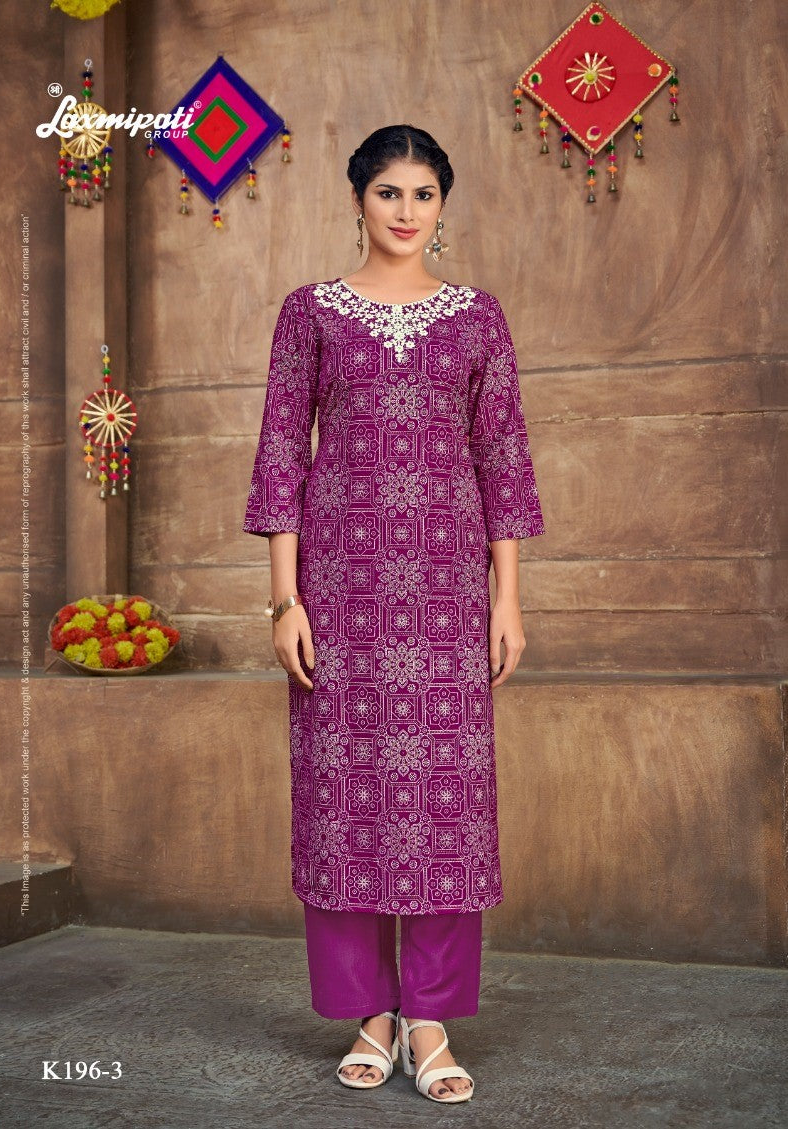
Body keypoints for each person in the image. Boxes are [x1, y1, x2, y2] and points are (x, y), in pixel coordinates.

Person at [242, 124, 546, 1104]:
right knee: (347, 800)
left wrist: (506, 600)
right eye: (388, 192)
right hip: (340, 592)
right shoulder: (310, 312)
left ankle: (430, 1018)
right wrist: (285, 598)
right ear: (357, 200)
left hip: (449, 595)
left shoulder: (477, 317)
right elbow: (281, 451)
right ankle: (369, 1012)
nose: (406, 211)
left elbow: (502, 457)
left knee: (445, 807)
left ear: (442, 206)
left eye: (423, 194)